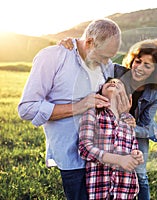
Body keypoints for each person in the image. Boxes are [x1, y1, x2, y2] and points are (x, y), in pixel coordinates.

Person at [17, 18, 131, 200]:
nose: (107, 62)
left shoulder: (105, 64)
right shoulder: (52, 57)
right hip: (73, 157)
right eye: (104, 56)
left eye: (110, 57)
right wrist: (79, 106)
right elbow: (27, 109)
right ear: (89, 42)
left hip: (104, 155)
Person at [60, 38, 157, 200]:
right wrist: (72, 45)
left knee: (140, 173)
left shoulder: (155, 93)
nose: (139, 68)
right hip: (106, 121)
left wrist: (129, 126)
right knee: (102, 162)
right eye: (138, 61)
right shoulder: (117, 72)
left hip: (134, 129)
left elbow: (147, 128)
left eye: (147, 66)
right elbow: (92, 60)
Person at [79, 78, 144, 200]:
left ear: (125, 96)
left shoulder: (128, 120)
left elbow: (134, 147)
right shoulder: (92, 114)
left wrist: (137, 155)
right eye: (109, 82)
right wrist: (118, 160)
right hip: (100, 186)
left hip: (125, 188)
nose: (114, 83)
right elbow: (85, 148)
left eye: (119, 83)